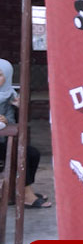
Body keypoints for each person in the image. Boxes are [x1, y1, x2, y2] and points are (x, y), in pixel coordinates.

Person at [0, 58, 51, 208]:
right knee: (22, 155)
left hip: (4, 141)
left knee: (33, 153)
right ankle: (27, 195)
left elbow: (12, 120)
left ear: (8, 77)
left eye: (0, 75)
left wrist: (17, 108)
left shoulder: (9, 94)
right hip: (3, 143)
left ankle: (21, 190)